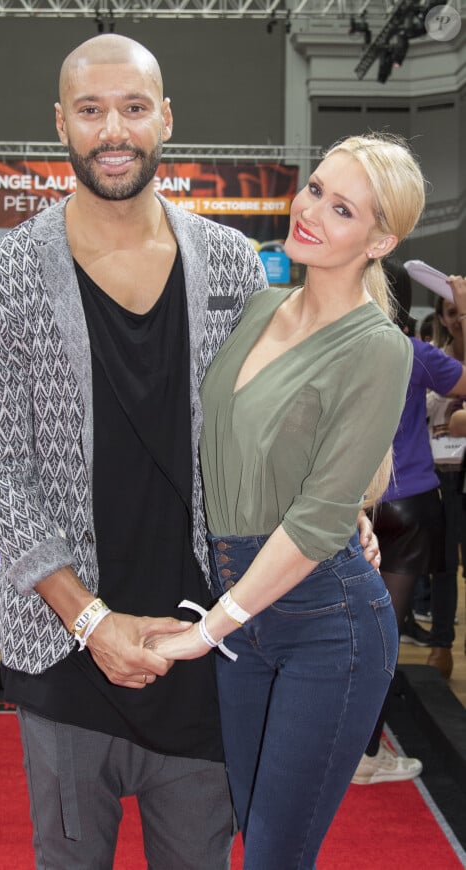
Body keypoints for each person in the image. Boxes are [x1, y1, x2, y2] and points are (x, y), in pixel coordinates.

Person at [0, 34, 379, 869]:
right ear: (61, 125)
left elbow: (275, 415)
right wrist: (91, 619)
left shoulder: (227, 261)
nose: (114, 129)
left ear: (166, 119)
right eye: (91, 109)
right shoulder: (2, 276)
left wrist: (336, 512)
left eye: (134, 107)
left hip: (208, 644)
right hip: (66, 652)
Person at [149, 133, 424, 869]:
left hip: (326, 623)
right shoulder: (259, 306)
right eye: (315, 189)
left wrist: (207, 631)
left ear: (380, 239)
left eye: (342, 209)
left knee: (275, 853)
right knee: (249, 823)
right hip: (245, 607)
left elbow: (315, 518)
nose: (311, 212)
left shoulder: (378, 346)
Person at [352, 260, 466, 785]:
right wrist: (463, 315)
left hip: (347, 507)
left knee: (344, 631)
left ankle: (338, 743)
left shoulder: (337, 345)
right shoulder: (412, 351)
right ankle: (365, 754)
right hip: (410, 507)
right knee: (381, 636)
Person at [423, 290, 466, 676]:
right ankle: (440, 647)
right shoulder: (434, 358)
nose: (457, 320)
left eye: (462, 313)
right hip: (439, 475)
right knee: (441, 567)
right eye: (451, 313)